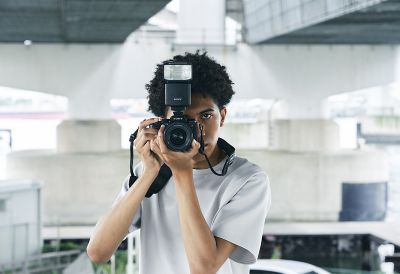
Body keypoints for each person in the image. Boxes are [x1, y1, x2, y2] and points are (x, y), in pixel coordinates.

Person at [87, 51, 271, 274]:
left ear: (222, 115)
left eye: (205, 116)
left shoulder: (247, 179)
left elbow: (204, 268)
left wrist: (182, 174)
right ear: (161, 123)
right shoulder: (151, 173)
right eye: (182, 123)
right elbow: (98, 252)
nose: (197, 132)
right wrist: (148, 174)